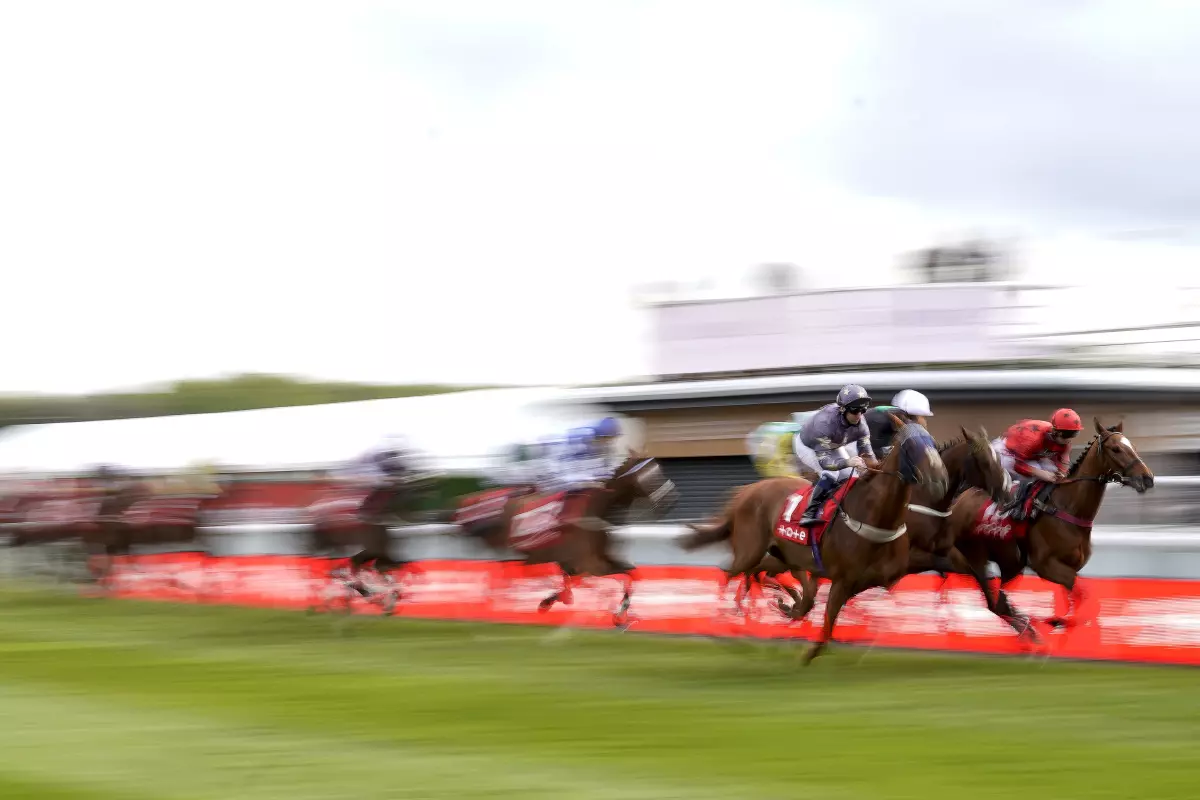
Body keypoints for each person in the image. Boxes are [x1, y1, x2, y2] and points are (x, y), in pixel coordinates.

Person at [793, 385, 879, 526]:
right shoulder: (824, 423)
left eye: (863, 410)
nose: (859, 415)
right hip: (807, 446)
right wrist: (848, 462)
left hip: (833, 444)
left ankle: (841, 507)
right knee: (832, 474)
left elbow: (868, 454)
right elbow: (825, 462)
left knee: (853, 477)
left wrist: (873, 469)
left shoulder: (861, 423)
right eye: (855, 410)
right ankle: (808, 513)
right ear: (843, 409)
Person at [993, 408, 1083, 521]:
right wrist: (1040, 473)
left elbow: (1062, 465)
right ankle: (1015, 506)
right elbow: (1018, 466)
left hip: (1031, 456)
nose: (1070, 439)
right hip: (1006, 452)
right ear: (1057, 432)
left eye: (1074, 434)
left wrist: (1062, 475)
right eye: (1069, 435)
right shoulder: (1034, 438)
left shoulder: (1064, 441)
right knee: (1036, 474)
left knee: (1052, 473)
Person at [865, 389, 935, 458]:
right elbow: (870, 454)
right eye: (923, 417)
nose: (925, 423)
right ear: (908, 416)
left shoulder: (897, 421)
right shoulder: (877, 422)